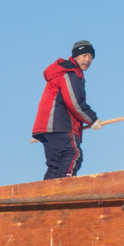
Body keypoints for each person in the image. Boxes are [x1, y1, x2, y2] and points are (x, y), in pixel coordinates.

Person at [32, 40, 99, 179]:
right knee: (73, 154)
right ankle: (65, 188)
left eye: (91, 57)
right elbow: (73, 102)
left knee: (55, 164)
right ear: (75, 56)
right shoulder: (70, 73)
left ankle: (47, 196)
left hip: (48, 127)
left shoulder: (67, 72)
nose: (88, 60)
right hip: (59, 125)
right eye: (84, 55)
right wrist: (92, 119)